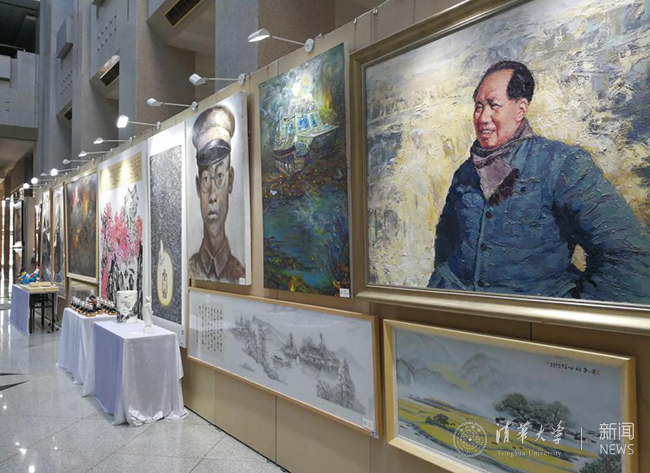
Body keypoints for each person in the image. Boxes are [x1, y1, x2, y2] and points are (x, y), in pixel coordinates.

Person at [428, 60, 650, 303]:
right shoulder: (464, 172)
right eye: (478, 107)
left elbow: (627, 253)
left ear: (521, 108)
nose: (483, 117)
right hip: (457, 311)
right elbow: (446, 241)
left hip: (530, 319)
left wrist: (576, 315)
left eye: (493, 105)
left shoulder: (562, 163)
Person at [188, 105, 245, 283]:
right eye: (206, 179)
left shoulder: (239, 274)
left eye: (219, 176)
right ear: (198, 187)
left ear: (231, 180)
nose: (212, 195)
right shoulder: (189, 268)